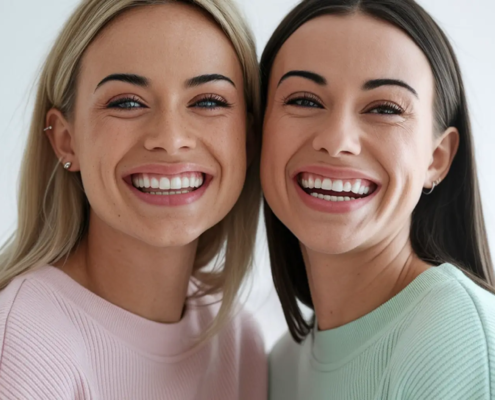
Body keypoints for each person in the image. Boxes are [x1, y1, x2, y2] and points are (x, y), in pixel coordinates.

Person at [0, 0, 266, 398]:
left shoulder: (238, 342)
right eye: (126, 102)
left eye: (208, 101)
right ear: (65, 140)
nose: (171, 138)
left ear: (246, 136)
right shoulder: (23, 341)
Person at [260, 0, 495, 398]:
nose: (336, 141)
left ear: (436, 159)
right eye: (304, 100)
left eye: (384, 108)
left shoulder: (453, 331)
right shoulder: (280, 365)